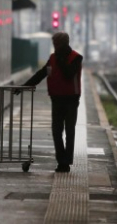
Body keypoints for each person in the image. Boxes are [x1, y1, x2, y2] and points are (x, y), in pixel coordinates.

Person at [21, 32, 83, 173]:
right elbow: (41, 74)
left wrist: (61, 60)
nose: (54, 46)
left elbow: (68, 74)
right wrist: (24, 86)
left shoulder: (76, 58)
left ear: (63, 44)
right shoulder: (53, 58)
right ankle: (62, 160)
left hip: (71, 100)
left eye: (56, 44)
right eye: (53, 44)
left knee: (70, 131)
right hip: (57, 99)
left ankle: (66, 162)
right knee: (56, 132)